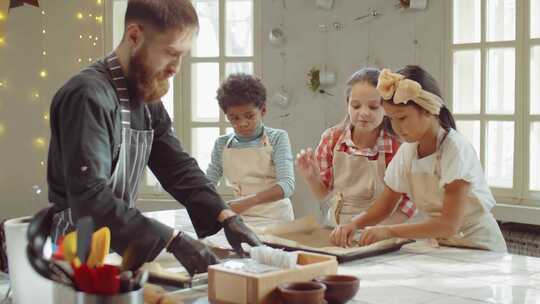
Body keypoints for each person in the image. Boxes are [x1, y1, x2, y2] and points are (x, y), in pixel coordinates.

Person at [47, 0, 261, 276]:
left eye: (183, 56)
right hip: (75, 252)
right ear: (135, 35)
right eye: (172, 53)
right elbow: (90, 197)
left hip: (117, 249)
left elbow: (177, 167)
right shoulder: (87, 95)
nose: (176, 68)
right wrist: (172, 240)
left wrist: (225, 216)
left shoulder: (145, 98)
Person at [330, 66, 507, 252]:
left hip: (482, 248)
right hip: (446, 247)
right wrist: (353, 224)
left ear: (428, 110)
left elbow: (449, 225)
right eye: (391, 120)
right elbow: (385, 206)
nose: (397, 128)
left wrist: (389, 231)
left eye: (403, 118)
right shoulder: (408, 151)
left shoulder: (455, 150)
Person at [296, 68, 415, 227]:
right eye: (356, 106)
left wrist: (380, 229)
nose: (364, 113)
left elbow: (410, 203)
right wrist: (311, 177)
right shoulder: (332, 139)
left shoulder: (398, 146)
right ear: (347, 105)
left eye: (373, 107)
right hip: (338, 228)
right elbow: (323, 193)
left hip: (383, 228)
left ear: (386, 108)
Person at [206, 73, 295, 222]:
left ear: (263, 111)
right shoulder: (222, 144)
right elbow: (208, 183)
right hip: (241, 218)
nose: (242, 123)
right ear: (226, 115)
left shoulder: (277, 138)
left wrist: (247, 201)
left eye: (249, 116)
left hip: (277, 219)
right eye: (234, 118)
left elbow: (287, 185)